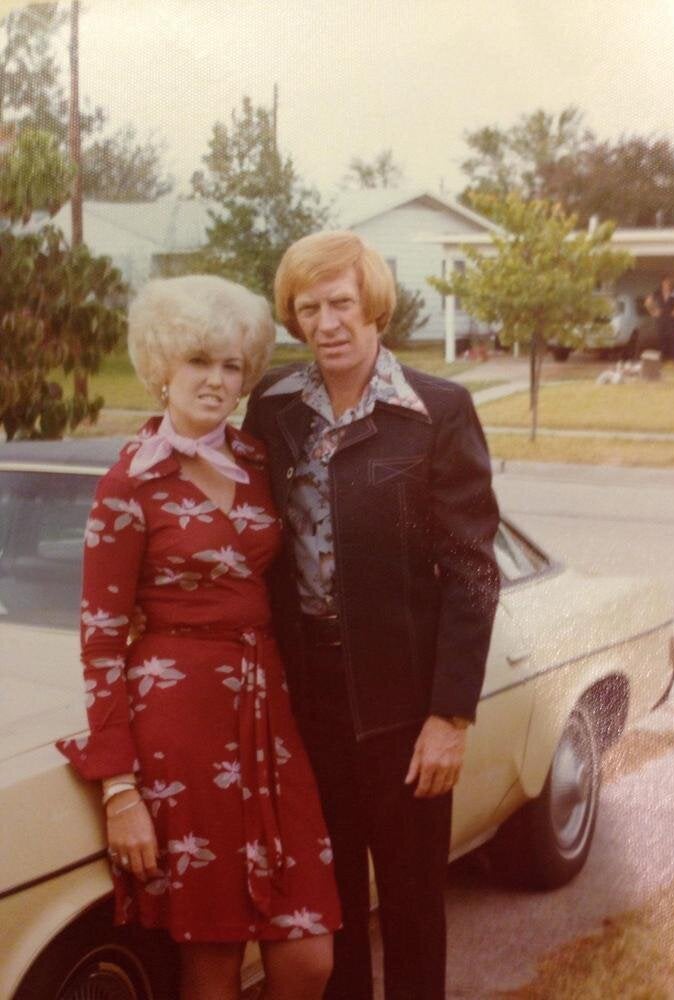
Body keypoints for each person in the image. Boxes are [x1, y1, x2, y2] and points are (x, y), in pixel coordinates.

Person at [57, 275, 340, 1000]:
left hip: (269, 718)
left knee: (307, 959)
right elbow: (101, 639)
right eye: (198, 363)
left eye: (231, 366)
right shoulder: (128, 485)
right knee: (211, 959)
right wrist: (120, 788)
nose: (216, 381)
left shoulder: (255, 462)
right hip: (179, 729)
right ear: (161, 368)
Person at [244, 231, 500, 1000]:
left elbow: (471, 573)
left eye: (342, 304)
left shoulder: (435, 412)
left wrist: (449, 715)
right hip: (307, 697)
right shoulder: (276, 409)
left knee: (414, 905)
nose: (327, 323)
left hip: (403, 703)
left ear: (374, 308)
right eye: (309, 308)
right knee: (334, 908)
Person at [645, 274, 674, 360]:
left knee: (672, 338)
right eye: (665, 283)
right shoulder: (657, 292)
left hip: (672, 319)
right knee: (661, 339)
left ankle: (673, 359)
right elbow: (647, 302)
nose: (667, 285)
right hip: (661, 319)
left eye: (669, 283)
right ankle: (662, 360)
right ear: (662, 283)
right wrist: (653, 311)